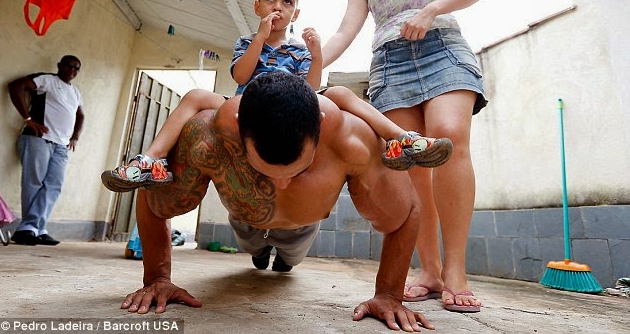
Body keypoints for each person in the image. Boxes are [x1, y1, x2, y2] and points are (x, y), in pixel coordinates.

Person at [103, 72, 433, 332]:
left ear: (320, 124)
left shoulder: (353, 140)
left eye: (297, 170)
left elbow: (406, 213)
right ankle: (261, 255)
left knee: (287, 261)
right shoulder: (208, 135)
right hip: (245, 224)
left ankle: (283, 260)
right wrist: (157, 279)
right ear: (238, 128)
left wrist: (389, 293)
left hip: (302, 231)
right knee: (257, 254)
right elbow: (152, 196)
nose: (282, 184)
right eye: (265, 170)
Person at [105, 0, 452, 190]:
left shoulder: (299, 51)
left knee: (341, 93)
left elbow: (310, 89)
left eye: (287, 2)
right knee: (196, 94)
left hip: (290, 107)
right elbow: (241, 75)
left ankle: (400, 139)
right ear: (257, 6)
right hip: (246, 102)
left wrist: (317, 55)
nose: (278, 7)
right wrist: (259, 38)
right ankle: (151, 160)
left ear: (295, 13)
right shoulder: (247, 42)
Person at [321, 0, 488, 313]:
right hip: (391, 63)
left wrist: (432, 9)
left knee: (450, 138)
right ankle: (430, 271)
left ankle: (456, 271)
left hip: (442, 47)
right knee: (412, 162)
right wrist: (307, 61)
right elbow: (343, 33)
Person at [8, 55, 85, 246]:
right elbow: (15, 86)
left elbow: (80, 115)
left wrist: (75, 137)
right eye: (69, 66)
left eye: (76, 68)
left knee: (54, 185)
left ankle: (37, 227)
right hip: (38, 139)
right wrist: (28, 119)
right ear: (59, 66)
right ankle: (28, 228)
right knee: (33, 183)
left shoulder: (75, 92)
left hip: (61, 145)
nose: (72, 70)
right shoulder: (47, 80)